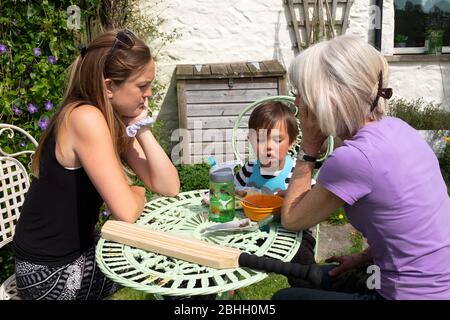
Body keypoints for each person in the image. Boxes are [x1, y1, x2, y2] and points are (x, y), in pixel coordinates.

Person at [272, 35, 450, 300]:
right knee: (320, 277)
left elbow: (293, 219)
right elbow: (412, 227)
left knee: (283, 299)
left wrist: (308, 148)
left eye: (303, 94)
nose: (297, 105)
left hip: (410, 295)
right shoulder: (400, 129)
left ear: (328, 99)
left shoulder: (354, 158)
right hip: (439, 283)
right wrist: (364, 258)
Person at [12, 29, 180, 300]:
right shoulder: (85, 118)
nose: (149, 94)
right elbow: (126, 210)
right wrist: (138, 193)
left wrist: (143, 129)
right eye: (141, 86)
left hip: (77, 255)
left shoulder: (109, 117)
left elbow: (169, 185)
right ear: (109, 86)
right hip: (49, 276)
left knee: (172, 251)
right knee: (171, 262)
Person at [234, 101, 317, 271]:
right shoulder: (250, 169)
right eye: (260, 139)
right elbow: (231, 194)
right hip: (252, 235)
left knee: (303, 263)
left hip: (290, 236)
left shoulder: (297, 173)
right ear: (250, 140)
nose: (268, 147)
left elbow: (315, 199)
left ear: (292, 142)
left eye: (278, 140)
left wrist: (296, 197)